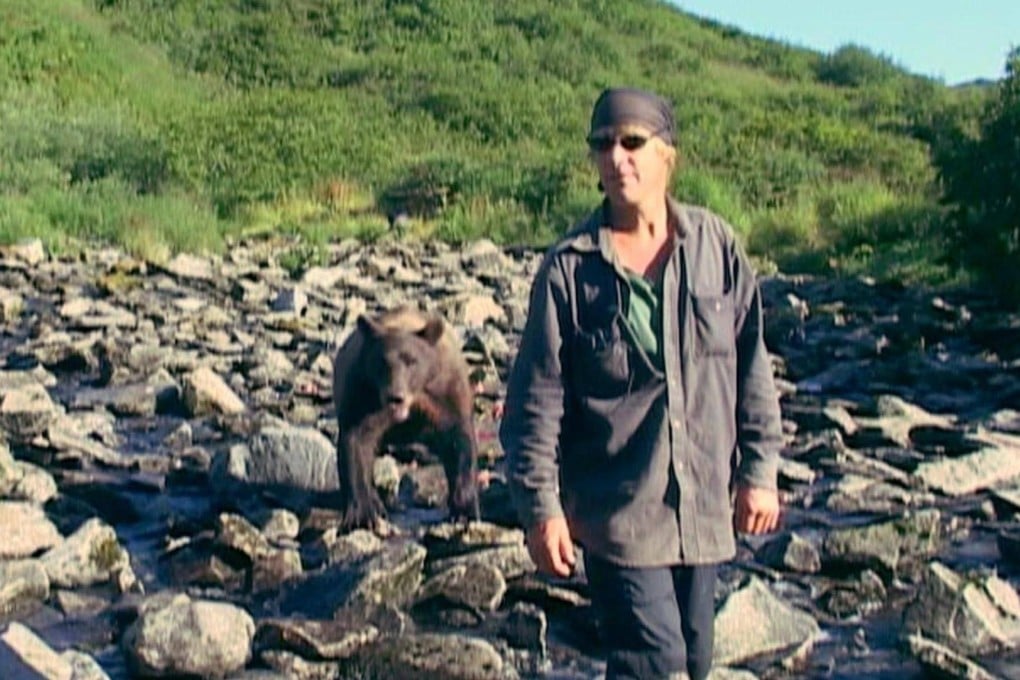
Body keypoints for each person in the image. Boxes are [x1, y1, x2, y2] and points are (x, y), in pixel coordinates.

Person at [499, 87, 784, 680]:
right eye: (603, 145)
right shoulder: (569, 269)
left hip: (702, 509)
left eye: (633, 142)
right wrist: (540, 509)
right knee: (657, 664)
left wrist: (759, 472)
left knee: (696, 660)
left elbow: (752, 366)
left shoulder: (716, 248)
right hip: (617, 514)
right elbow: (535, 402)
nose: (617, 157)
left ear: (667, 155)